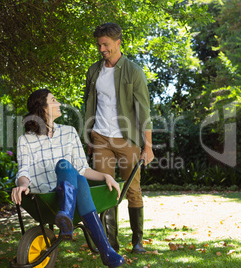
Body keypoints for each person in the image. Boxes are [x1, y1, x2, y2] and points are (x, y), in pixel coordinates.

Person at [12, 89, 125, 267]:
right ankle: (105, 250)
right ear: (43, 107)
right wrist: (23, 185)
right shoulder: (25, 140)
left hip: (67, 193)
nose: (59, 104)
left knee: (71, 171)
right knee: (70, 170)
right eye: (54, 100)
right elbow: (23, 171)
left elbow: (82, 168)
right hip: (47, 196)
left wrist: (106, 176)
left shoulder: (69, 132)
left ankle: (66, 215)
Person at [84, 22, 154, 254]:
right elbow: (89, 106)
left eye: (106, 44)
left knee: (132, 189)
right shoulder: (93, 71)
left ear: (118, 42)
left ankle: (137, 242)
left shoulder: (133, 72)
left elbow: (144, 111)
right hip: (100, 138)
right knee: (105, 189)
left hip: (127, 140)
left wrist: (148, 146)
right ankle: (109, 244)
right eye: (99, 45)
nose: (102, 49)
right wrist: (89, 139)